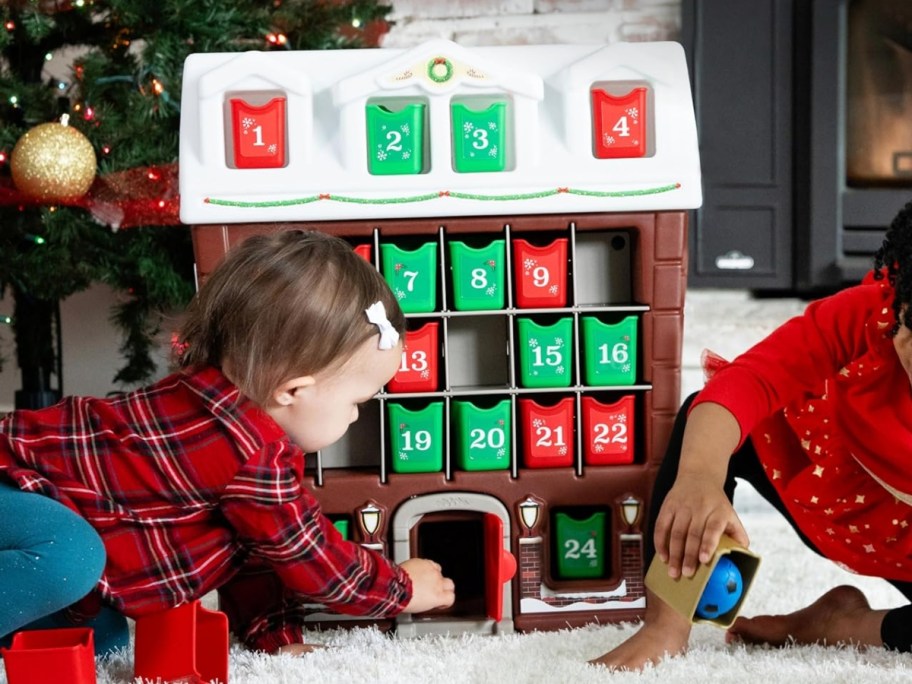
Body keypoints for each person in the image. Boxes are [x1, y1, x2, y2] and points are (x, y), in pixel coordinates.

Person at [0, 229, 455, 657]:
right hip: (11, 483)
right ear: (293, 391)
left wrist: (277, 637)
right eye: (358, 401)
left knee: (100, 638)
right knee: (73, 556)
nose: (357, 415)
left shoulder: (228, 423)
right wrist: (402, 588)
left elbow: (255, 556)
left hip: (29, 517)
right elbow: (316, 561)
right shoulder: (254, 454)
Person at [593, 201, 912, 671]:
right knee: (708, 421)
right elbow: (748, 382)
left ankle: (837, 625)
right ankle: (667, 622)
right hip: (821, 479)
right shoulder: (868, 316)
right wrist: (701, 477)